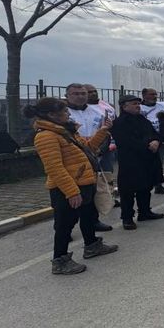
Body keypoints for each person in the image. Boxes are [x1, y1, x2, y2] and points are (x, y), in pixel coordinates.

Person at [26, 98, 118, 275]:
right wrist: (71, 192)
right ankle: (60, 261)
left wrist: (103, 131)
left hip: (84, 182)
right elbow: (54, 168)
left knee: (89, 216)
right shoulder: (46, 136)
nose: (68, 114)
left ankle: (92, 246)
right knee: (64, 225)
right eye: (65, 111)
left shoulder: (66, 131)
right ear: (52, 115)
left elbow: (88, 147)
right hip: (68, 188)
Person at [65, 83, 114, 231]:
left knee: (93, 191)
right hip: (72, 158)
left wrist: (99, 151)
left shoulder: (98, 112)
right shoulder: (64, 113)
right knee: (71, 193)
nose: (80, 96)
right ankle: (67, 227)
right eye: (76, 94)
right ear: (67, 96)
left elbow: (105, 133)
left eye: (83, 94)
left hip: (95, 155)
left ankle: (93, 221)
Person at [111, 95, 164, 230]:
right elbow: (126, 141)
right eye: (134, 104)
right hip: (131, 161)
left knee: (146, 187)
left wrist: (156, 141)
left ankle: (145, 212)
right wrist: (148, 145)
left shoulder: (142, 119)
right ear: (124, 106)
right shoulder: (119, 123)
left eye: (138, 104)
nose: (137, 106)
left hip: (148, 159)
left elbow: (154, 133)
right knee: (128, 191)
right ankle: (127, 218)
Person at [140, 88, 164, 194]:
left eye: (155, 94)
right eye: (152, 94)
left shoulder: (162, 106)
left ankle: (158, 185)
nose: (155, 96)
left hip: (160, 139)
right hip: (146, 140)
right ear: (144, 96)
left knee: (159, 162)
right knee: (144, 163)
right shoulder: (140, 108)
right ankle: (144, 184)